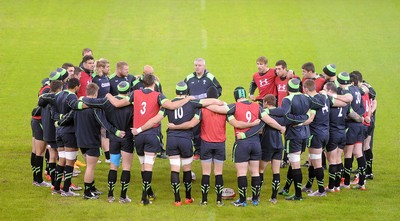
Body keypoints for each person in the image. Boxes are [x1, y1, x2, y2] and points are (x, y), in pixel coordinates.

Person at [106, 73, 193, 205]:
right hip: (151, 134)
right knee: (149, 166)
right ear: (154, 83)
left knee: (143, 165)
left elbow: (117, 104)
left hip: (138, 135)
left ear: (143, 83)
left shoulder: (134, 93)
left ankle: (148, 193)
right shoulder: (158, 96)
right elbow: (172, 106)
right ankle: (144, 197)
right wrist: (187, 99)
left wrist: (108, 95)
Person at [210, 86, 285, 207]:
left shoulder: (234, 106)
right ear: (245, 94)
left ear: (235, 96)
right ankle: (255, 200)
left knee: (241, 173)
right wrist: (281, 128)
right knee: (255, 172)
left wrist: (204, 103)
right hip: (256, 144)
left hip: (242, 144)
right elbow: (269, 121)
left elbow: (217, 110)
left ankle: (243, 200)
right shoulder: (257, 106)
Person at [81, 81, 135, 203]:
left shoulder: (107, 101)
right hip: (127, 138)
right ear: (128, 90)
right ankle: (123, 196)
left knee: (113, 166)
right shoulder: (131, 103)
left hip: (113, 139)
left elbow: (88, 101)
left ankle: (110, 195)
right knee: (126, 167)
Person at [74, 83, 125, 199]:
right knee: (90, 167)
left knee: (89, 166)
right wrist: (115, 132)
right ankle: (87, 193)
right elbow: (103, 123)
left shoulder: (78, 106)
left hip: (81, 140)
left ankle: (92, 188)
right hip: (91, 140)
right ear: (96, 93)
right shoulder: (95, 108)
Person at [274, 78, 321, 201]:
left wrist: (297, 120)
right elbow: (319, 105)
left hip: (294, 135)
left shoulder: (287, 99)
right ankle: (286, 188)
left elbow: (285, 116)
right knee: (293, 162)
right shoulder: (306, 97)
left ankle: (298, 195)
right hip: (305, 134)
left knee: (295, 164)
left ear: (287, 89)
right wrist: (304, 117)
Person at [330, 72, 366, 190]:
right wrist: (361, 118)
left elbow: (348, 109)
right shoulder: (357, 89)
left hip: (350, 125)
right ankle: (362, 181)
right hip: (359, 125)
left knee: (348, 154)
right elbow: (362, 106)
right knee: (359, 152)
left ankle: (345, 183)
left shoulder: (345, 92)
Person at [184, 58, 223, 160]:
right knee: (195, 130)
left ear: (204, 66)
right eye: (196, 65)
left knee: (207, 129)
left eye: (199, 65)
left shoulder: (210, 77)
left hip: (207, 108)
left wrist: (212, 99)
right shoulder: (189, 78)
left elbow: (219, 90)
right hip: (193, 108)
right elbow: (184, 92)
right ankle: (198, 151)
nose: (197, 67)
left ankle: (208, 150)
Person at [53, 78, 84, 196]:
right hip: (69, 132)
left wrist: (59, 120)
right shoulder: (72, 97)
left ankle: (56, 187)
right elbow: (73, 114)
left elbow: (54, 112)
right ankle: (66, 190)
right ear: (76, 87)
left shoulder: (58, 95)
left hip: (59, 132)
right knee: (70, 162)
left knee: (61, 160)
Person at [301, 79, 330, 197]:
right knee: (312, 160)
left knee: (317, 162)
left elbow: (310, 118)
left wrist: (298, 123)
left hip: (316, 134)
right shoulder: (324, 97)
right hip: (325, 133)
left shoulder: (311, 101)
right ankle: (308, 185)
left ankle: (321, 190)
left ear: (306, 89)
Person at [38, 80, 64, 188]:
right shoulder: (56, 100)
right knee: (62, 158)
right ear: (59, 89)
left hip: (47, 132)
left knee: (52, 156)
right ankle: (58, 184)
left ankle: (54, 183)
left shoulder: (44, 100)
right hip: (55, 131)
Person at [30, 78, 51, 187]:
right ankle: (38, 180)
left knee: (35, 151)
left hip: (35, 120)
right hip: (39, 122)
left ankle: (36, 178)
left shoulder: (45, 88)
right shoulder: (48, 90)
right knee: (40, 152)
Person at [92, 58, 111, 164]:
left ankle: (105, 156)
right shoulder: (95, 79)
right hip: (97, 108)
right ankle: (105, 156)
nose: (109, 69)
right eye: (107, 67)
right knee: (100, 133)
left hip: (106, 109)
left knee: (104, 132)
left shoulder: (106, 78)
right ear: (101, 68)